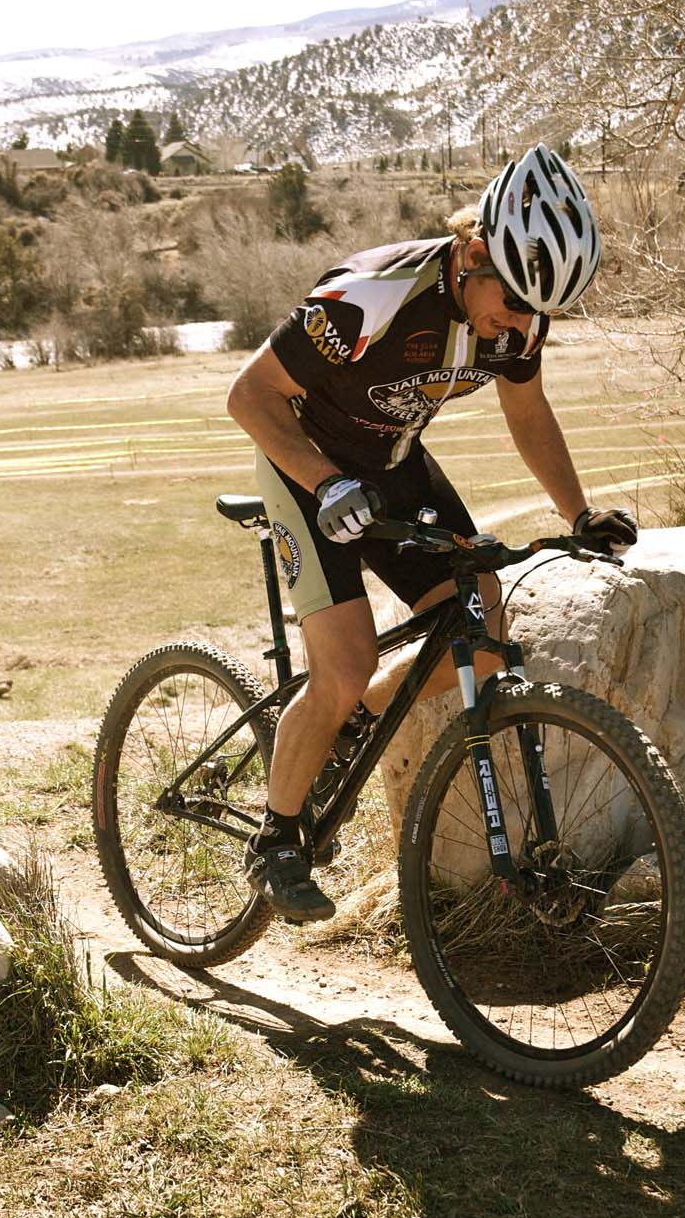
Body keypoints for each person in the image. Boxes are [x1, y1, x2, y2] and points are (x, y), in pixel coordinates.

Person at [226, 142, 638, 924]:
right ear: (472, 251)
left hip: (395, 462)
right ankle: (276, 838)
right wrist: (324, 483)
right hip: (304, 467)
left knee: (482, 631)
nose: (519, 325)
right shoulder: (372, 295)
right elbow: (249, 397)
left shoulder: (520, 320)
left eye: (537, 311)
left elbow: (527, 414)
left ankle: (350, 724)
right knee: (341, 663)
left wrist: (577, 515)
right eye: (512, 300)